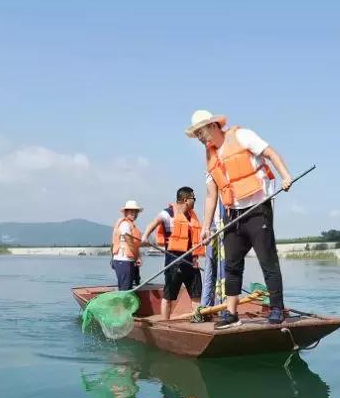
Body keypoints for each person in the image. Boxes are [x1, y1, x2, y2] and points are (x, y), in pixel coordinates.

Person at [186, 110, 294, 329]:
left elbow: (271, 153)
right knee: (232, 266)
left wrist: (285, 176)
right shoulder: (210, 155)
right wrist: (205, 227)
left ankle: (276, 308)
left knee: (267, 260)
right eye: (196, 134)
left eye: (201, 132)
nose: (200, 138)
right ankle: (232, 314)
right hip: (233, 216)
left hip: (257, 210)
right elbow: (211, 194)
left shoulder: (242, 136)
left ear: (214, 126)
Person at [142, 187, 205, 320]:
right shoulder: (167, 214)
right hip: (174, 264)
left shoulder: (192, 217)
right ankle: (165, 323)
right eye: (193, 198)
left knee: (196, 294)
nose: (195, 201)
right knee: (168, 296)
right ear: (185, 200)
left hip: (191, 263)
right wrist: (146, 236)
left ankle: (198, 319)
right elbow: (153, 223)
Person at [110, 200, 143, 291]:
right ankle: (122, 305)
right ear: (126, 212)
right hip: (123, 260)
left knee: (129, 286)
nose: (134, 213)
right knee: (125, 289)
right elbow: (128, 241)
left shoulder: (131, 225)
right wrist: (137, 257)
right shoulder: (124, 224)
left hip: (128, 260)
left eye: (135, 211)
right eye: (131, 211)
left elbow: (135, 244)